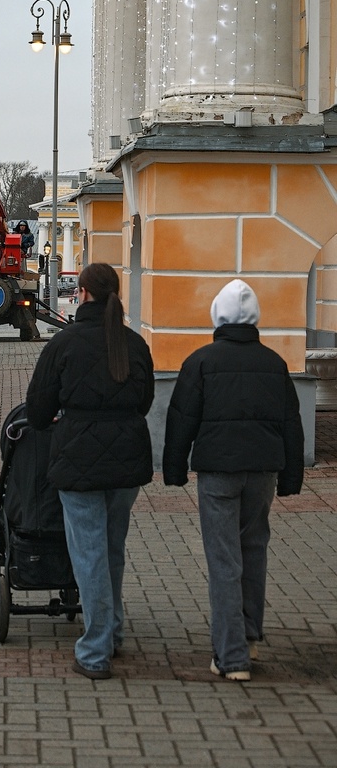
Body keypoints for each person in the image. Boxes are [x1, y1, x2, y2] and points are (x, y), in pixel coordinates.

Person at [163, 279, 304, 682]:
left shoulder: (201, 362)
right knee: (254, 550)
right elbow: (291, 425)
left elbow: (181, 419)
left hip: (218, 472)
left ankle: (231, 657)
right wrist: (291, 477)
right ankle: (249, 635)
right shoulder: (274, 363)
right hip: (263, 472)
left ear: (217, 315)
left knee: (224, 559)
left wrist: (175, 469)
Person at [25, 262, 154, 679]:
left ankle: (95, 650)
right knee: (111, 550)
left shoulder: (64, 345)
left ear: (81, 293)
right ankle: (112, 630)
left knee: (89, 554)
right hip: (127, 462)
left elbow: (38, 411)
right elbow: (145, 401)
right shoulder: (134, 344)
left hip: (77, 461)